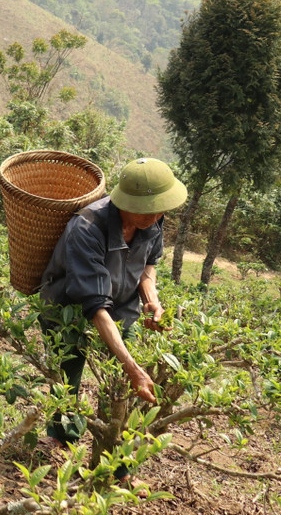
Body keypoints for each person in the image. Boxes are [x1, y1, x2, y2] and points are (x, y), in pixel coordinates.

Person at [39, 157, 188, 445]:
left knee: (120, 388)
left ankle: (113, 460)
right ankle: (60, 440)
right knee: (68, 376)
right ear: (122, 201)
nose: (153, 217)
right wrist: (132, 367)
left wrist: (151, 300)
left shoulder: (153, 219)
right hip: (67, 306)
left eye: (158, 210)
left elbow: (148, 265)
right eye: (145, 210)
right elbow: (95, 306)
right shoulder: (87, 227)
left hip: (121, 306)